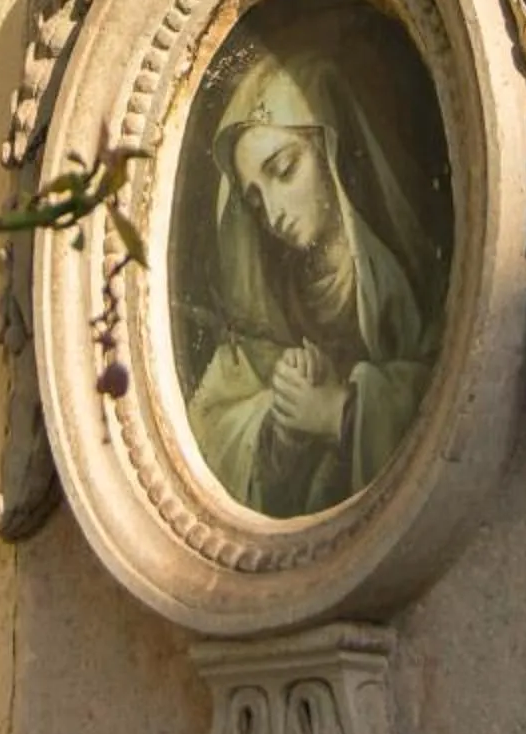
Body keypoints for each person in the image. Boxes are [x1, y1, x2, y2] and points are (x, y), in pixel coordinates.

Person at [180, 33, 444, 516]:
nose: (273, 212)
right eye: (255, 200)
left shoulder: (409, 261)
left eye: (284, 169)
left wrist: (340, 412)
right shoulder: (273, 301)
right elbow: (216, 429)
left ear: (330, 149)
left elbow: (445, 394)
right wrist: (281, 416)